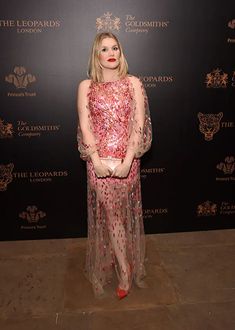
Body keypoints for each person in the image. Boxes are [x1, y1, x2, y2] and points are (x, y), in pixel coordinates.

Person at [76, 32, 152, 299]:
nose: (111, 53)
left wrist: (129, 159)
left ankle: (125, 263)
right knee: (111, 215)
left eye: (115, 48)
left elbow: (138, 124)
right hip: (98, 163)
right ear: (96, 55)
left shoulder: (133, 83)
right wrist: (95, 160)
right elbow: (85, 125)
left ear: (121, 52)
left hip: (126, 161)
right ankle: (124, 268)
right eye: (104, 49)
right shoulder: (86, 86)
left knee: (120, 214)